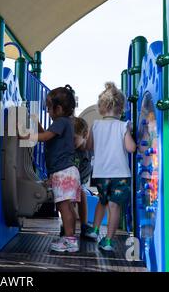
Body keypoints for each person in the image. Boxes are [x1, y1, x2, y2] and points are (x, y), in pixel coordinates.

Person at [20, 85, 80, 252]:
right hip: (66, 172)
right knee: (67, 207)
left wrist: (27, 136)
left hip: (63, 172)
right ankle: (69, 237)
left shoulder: (61, 122)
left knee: (63, 207)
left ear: (58, 108)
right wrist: (35, 122)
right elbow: (48, 135)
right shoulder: (64, 123)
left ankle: (70, 239)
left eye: (48, 108)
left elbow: (45, 136)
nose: (48, 111)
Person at [84, 82, 136, 251]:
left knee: (102, 200)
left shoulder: (96, 125)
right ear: (121, 109)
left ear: (101, 108)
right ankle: (108, 240)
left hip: (100, 173)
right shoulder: (123, 126)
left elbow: (88, 146)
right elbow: (131, 148)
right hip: (120, 174)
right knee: (114, 206)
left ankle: (95, 229)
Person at [73, 117, 92, 238]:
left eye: (74, 138)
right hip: (71, 176)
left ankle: (84, 225)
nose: (70, 141)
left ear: (84, 135)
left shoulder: (88, 150)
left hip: (81, 176)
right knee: (67, 201)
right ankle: (68, 224)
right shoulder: (71, 148)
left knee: (81, 194)